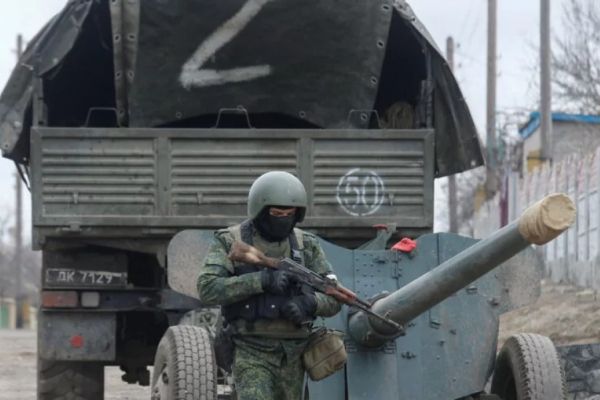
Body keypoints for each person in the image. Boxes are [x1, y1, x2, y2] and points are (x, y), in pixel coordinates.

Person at [197, 171, 341, 400]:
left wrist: (310, 303)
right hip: (250, 349)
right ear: (260, 211)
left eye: (289, 214)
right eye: (276, 213)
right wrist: (261, 281)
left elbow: (335, 297)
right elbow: (208, 288)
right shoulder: (231, 240)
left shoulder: (307, 245)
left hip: (294, 354)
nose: (283, 219)